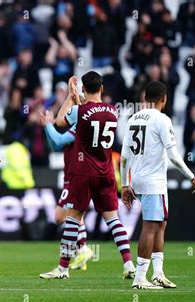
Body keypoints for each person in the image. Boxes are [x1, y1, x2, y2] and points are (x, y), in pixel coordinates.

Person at [44, 72, 135, 280]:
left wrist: (70, 95)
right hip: (106, 171)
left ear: (83, 89)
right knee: (113, 219)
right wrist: (79, 98)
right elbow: (95, 112)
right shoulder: (113, 111)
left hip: (83, 172)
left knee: (73, 219)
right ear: (102, 89)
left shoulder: (79, 111)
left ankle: (63, 268)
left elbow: (59, 122)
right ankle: (129, 264)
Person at [120, 81, 195, 290]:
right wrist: (191, 176)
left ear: (146, 97)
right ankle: (140, 278)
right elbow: (174, 155)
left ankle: (158, 273)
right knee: (150, 227)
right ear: (163, 99)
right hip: (153, 181)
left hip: (139, 179)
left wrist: (125, 184)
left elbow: (123, 157)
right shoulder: (162, 119)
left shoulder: (133, 118)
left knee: (160, 224)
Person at [37, 109, 93, 274]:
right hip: (73, 174)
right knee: (73, 214)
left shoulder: (80, 127)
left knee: (61, 216)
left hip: (75, 176)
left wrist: (48, 123)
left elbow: (57, 141)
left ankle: (82, 250)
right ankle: (81, 253)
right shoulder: (83, 124)